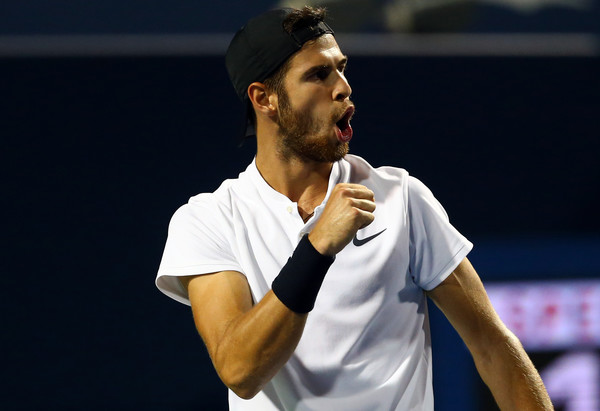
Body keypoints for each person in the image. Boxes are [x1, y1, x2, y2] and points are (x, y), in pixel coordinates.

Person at [156, 6, 553, 410]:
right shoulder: (208, 220)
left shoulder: (402, 199)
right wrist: (316, 249)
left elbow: (492, 346)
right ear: (265, 98)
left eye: (341, 68)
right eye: (318, 75)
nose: (343, 87)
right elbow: (240, 370)